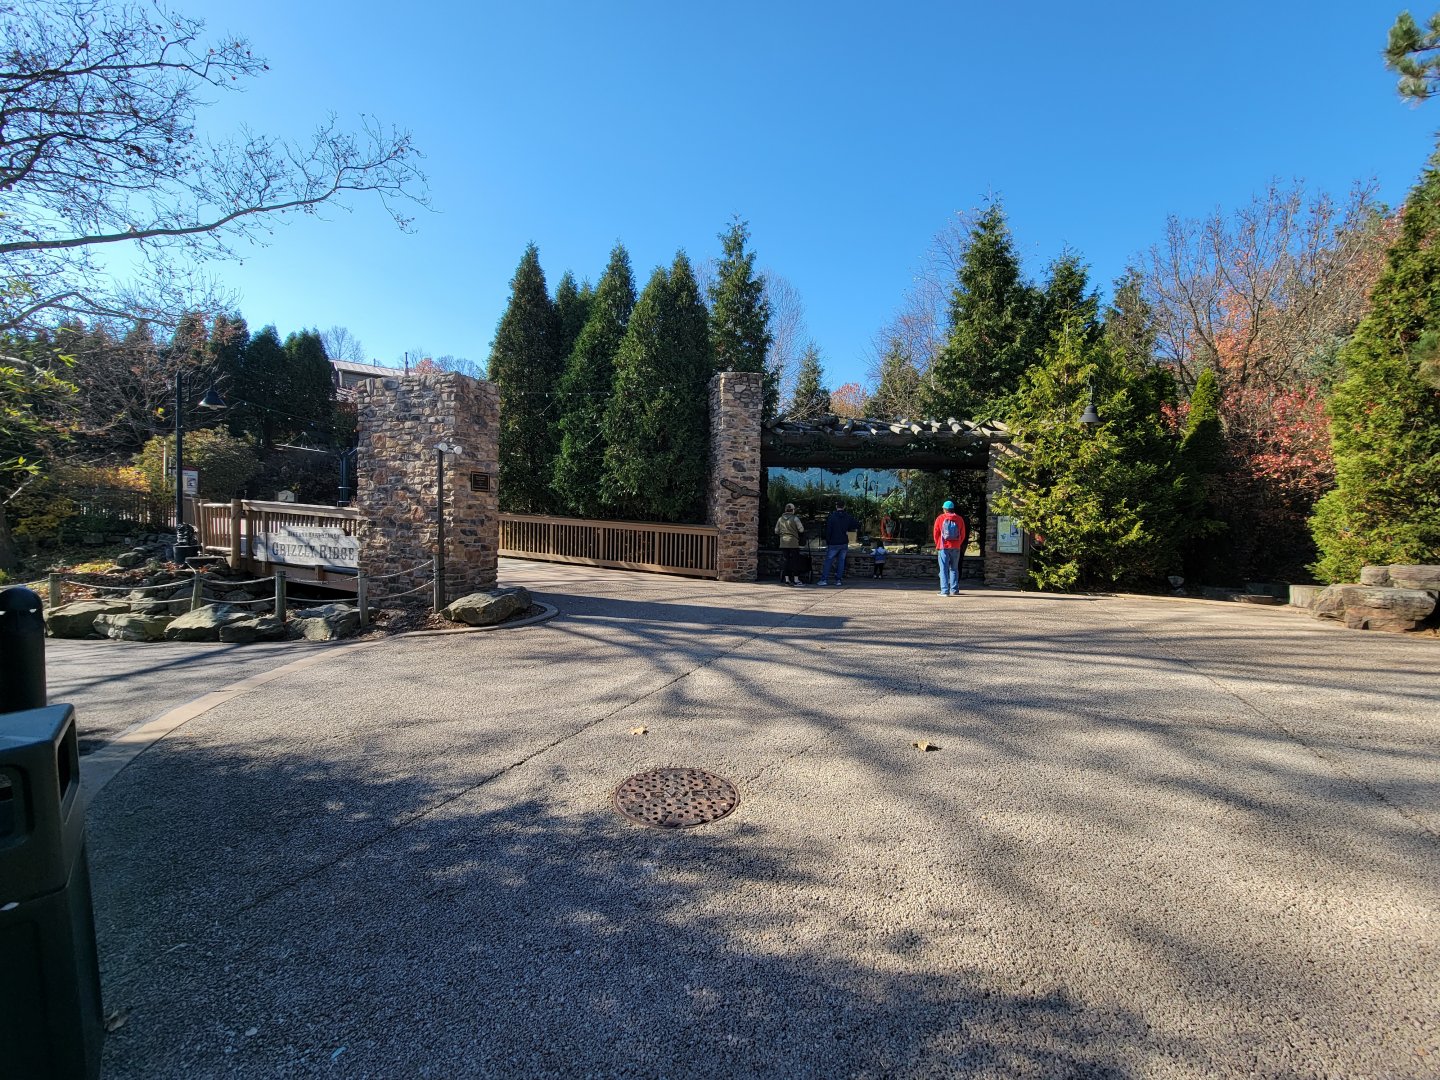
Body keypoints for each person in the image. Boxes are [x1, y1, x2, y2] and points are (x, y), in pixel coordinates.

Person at [819, 500, 860, 586]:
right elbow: (856, 524)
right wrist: (847, 529)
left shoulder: (832, 517)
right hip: (844, 542)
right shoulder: (847, 516)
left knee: (828, 561)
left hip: (833, 542)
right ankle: (838, 580)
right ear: (844, 507)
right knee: (841, 561)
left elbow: (828, 530)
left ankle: (824, 580)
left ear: (836, 506)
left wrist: (828, 541)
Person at [932, 500, 968, 596]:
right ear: (953, 509)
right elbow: (963, 534)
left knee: (943, 569)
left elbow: (935, 533)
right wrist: (958, 543)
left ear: (944, 509)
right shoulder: (959, 519)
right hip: (956, 547)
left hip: (943, 547)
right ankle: (954, 590)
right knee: (954, 569)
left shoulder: (940, 518)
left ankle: (944, 591)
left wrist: (938, 544)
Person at [774, 503, 807, 586]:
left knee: (786, 560)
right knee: (795, 560)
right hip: (793, 542)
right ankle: (796, 579)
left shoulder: (780, 519)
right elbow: (801, 529)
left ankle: (787, 580)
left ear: (785, 510)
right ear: (793, 510)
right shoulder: (795, 518)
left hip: (783, 542)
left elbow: (776, 531)